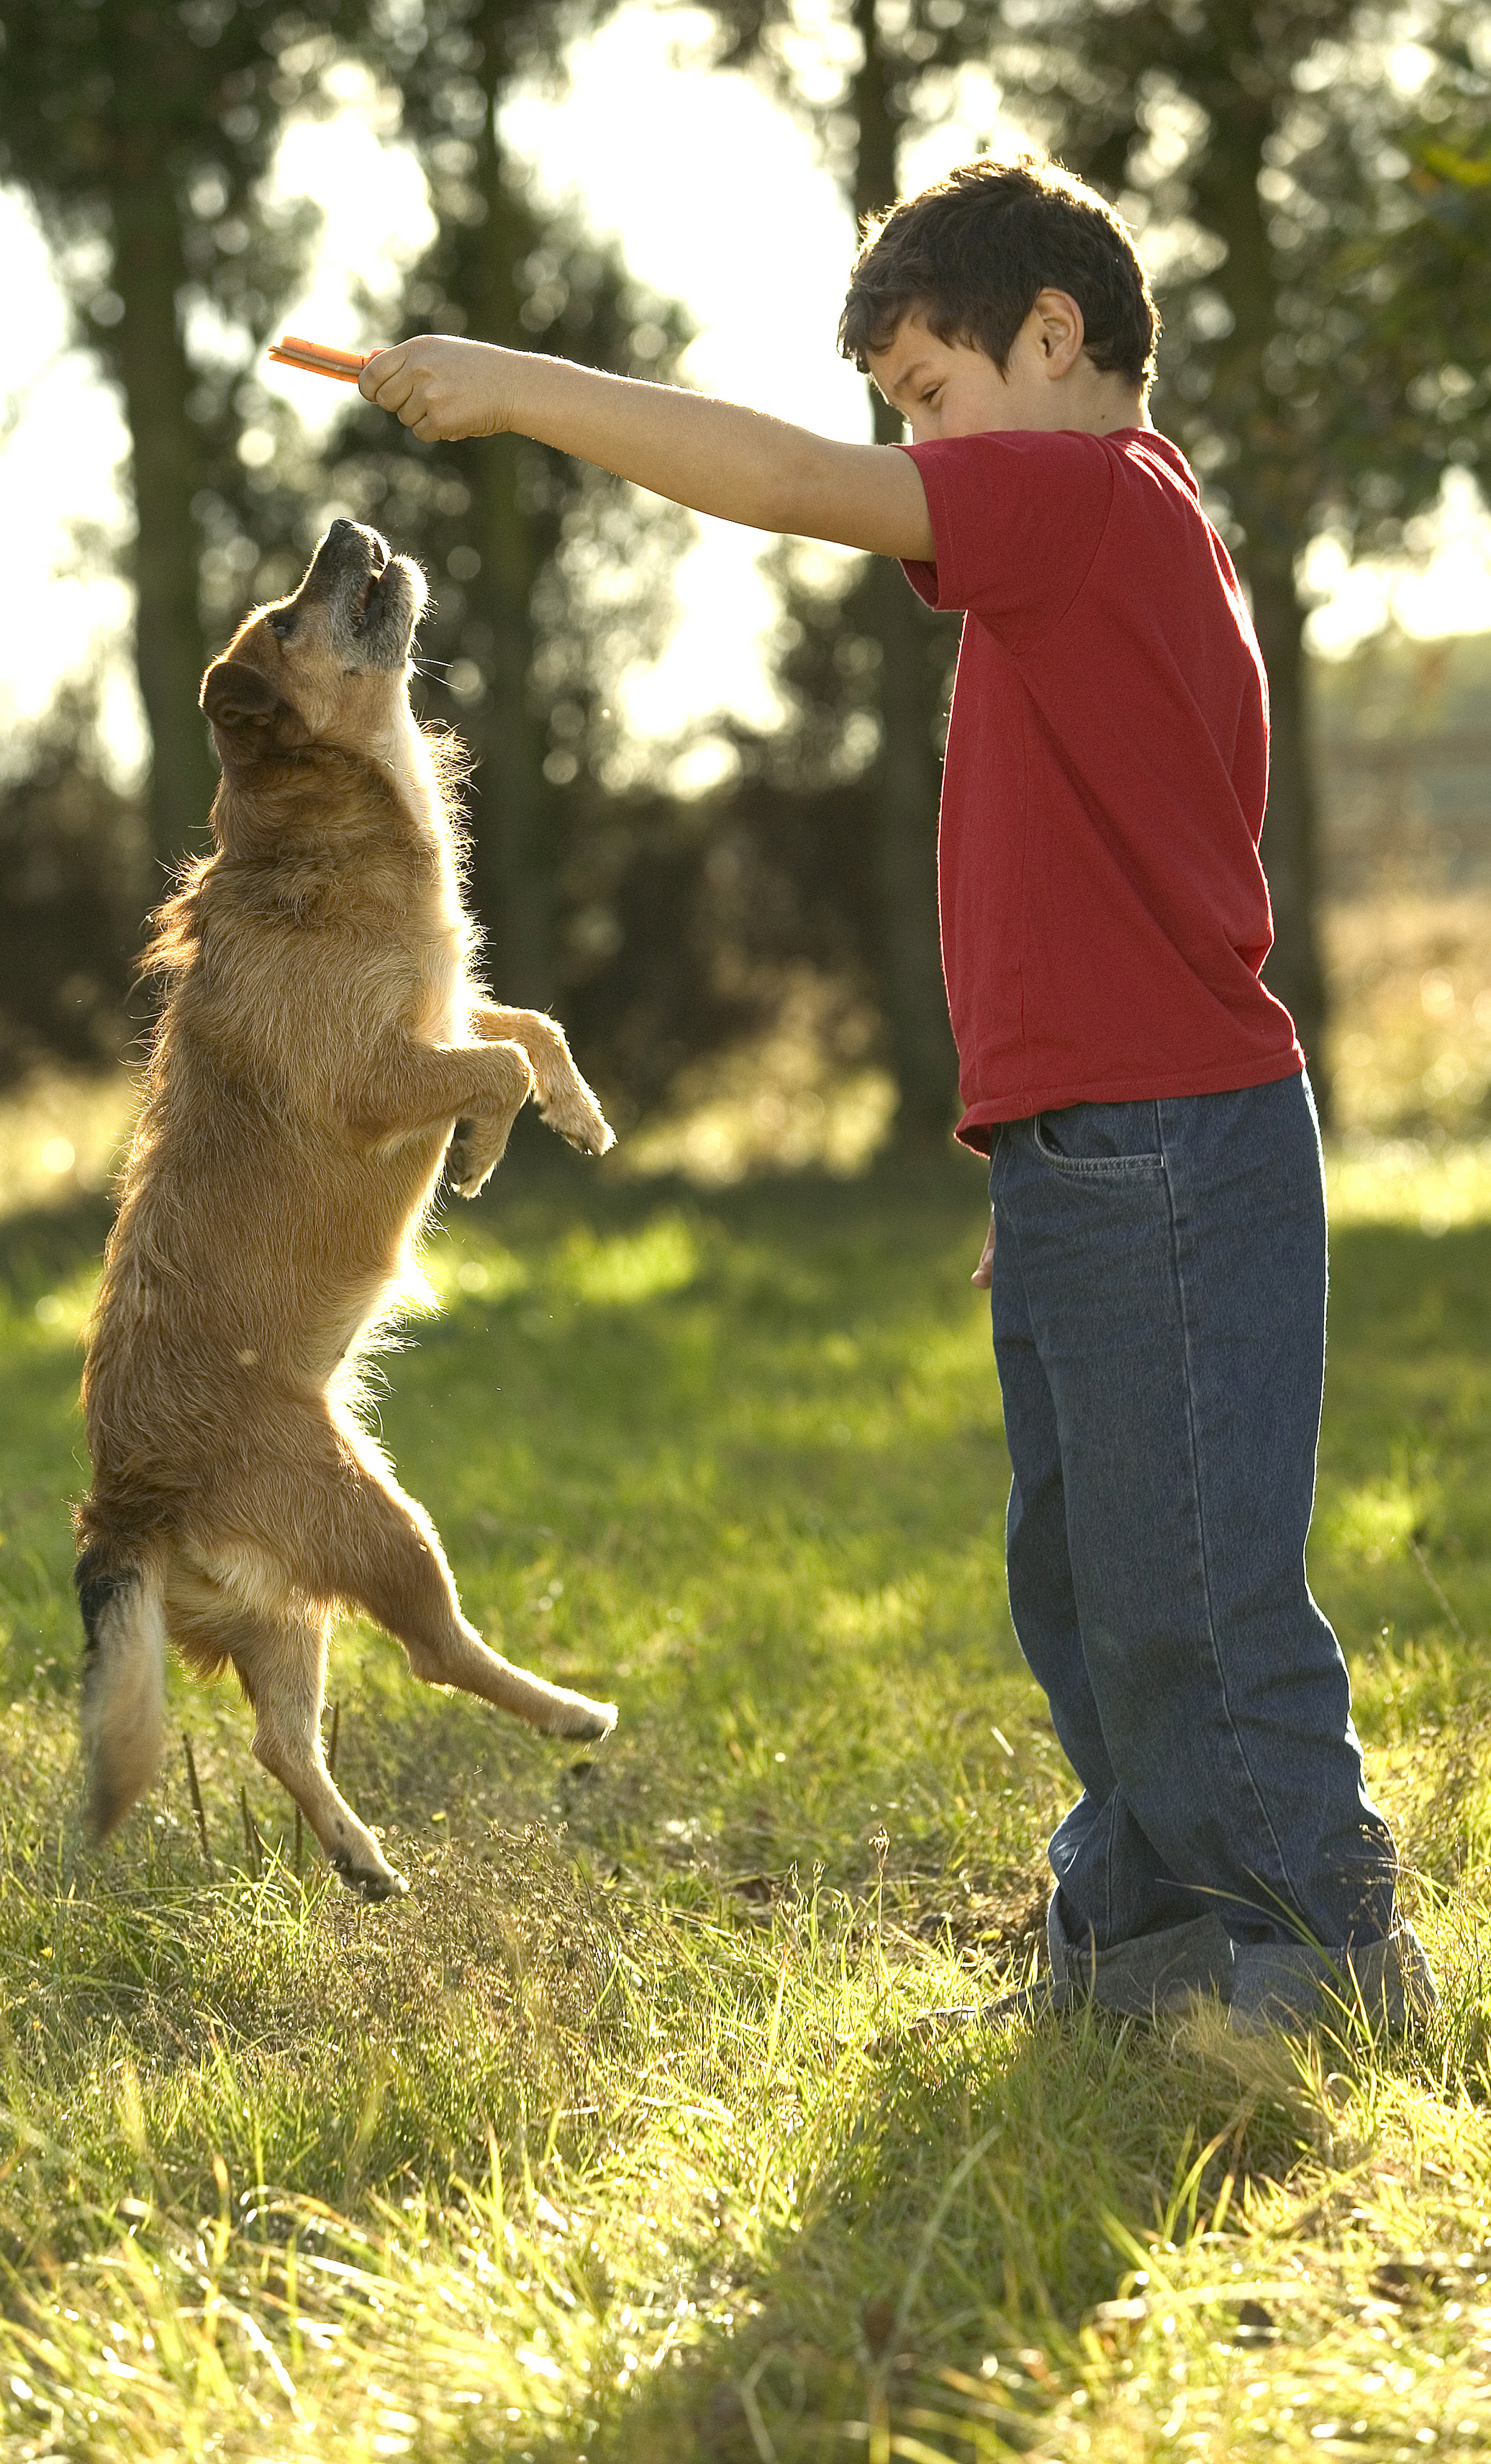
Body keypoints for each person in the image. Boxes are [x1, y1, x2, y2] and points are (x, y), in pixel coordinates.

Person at [355, 152, 1434, 2034]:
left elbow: (787, 485)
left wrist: (512, 384)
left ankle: (1330, 1948)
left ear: (1053, 331)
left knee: (1186, 1578)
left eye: (931, 398)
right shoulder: (1106, 537)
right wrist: (1037, 1177)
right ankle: (1149, 1928)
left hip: (1174, 1144)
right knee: (1085, 1571)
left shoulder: (1091, 494)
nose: (919, 451)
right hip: (1104, 1155)